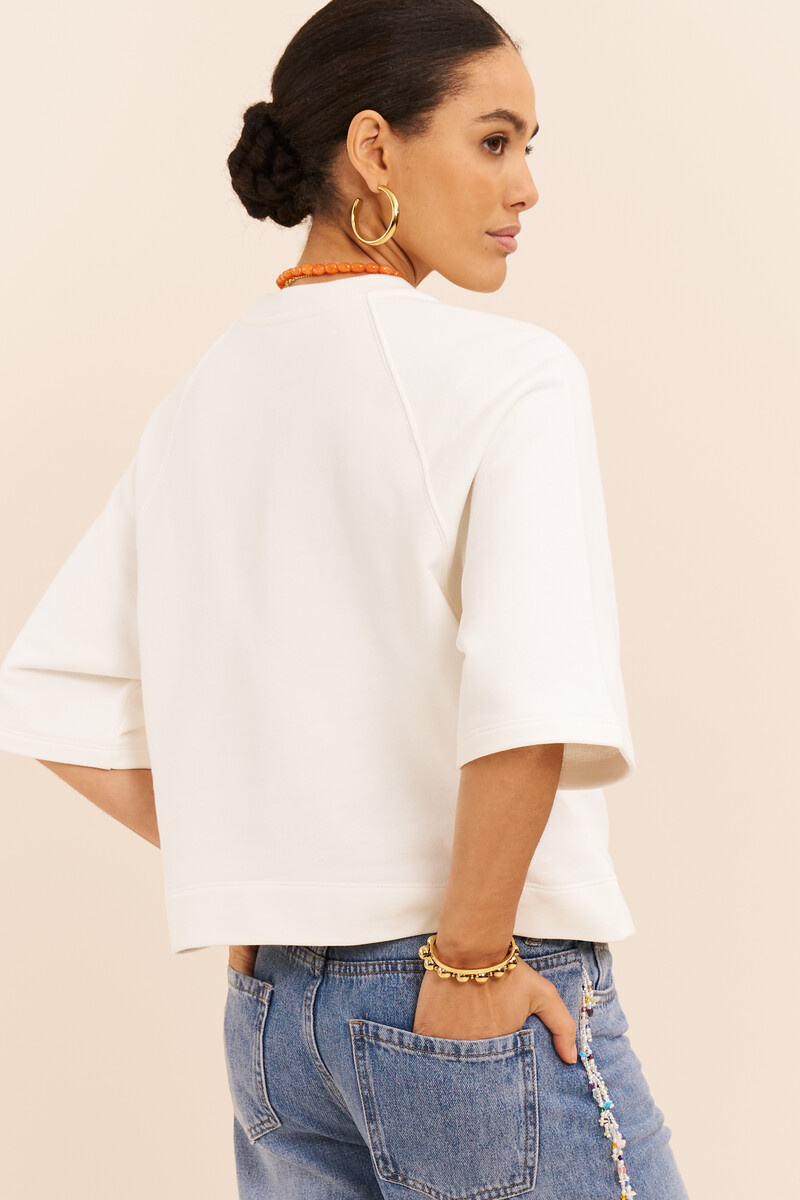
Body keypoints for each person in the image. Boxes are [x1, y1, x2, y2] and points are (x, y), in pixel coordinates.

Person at [0, 1, 691, 1197]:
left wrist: (281, 866)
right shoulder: (508, 374)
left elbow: (52, 695)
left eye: (528, 146)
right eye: (492, 141)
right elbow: (529, 700)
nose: (525, 185)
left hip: (277, 1015)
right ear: (374, 150)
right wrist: (468, 960)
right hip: (463, 985)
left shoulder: (204, 395)